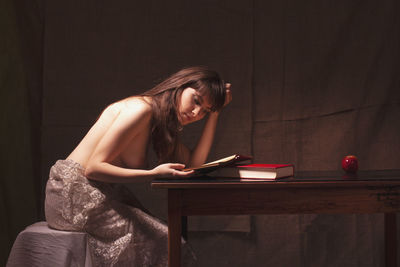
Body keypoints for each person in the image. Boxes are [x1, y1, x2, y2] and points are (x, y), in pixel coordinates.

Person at [44, 66, 232, 266]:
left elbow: (195, 165)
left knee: (169, 239)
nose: (196, 113)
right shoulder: (141, 109)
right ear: (180, 85)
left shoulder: (161, 122)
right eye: (196, 101)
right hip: (72, 194)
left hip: (97, 193)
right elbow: (94, 168)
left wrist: (215, 115)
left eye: (205, 111)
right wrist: (151, 174)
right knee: (165, 242)